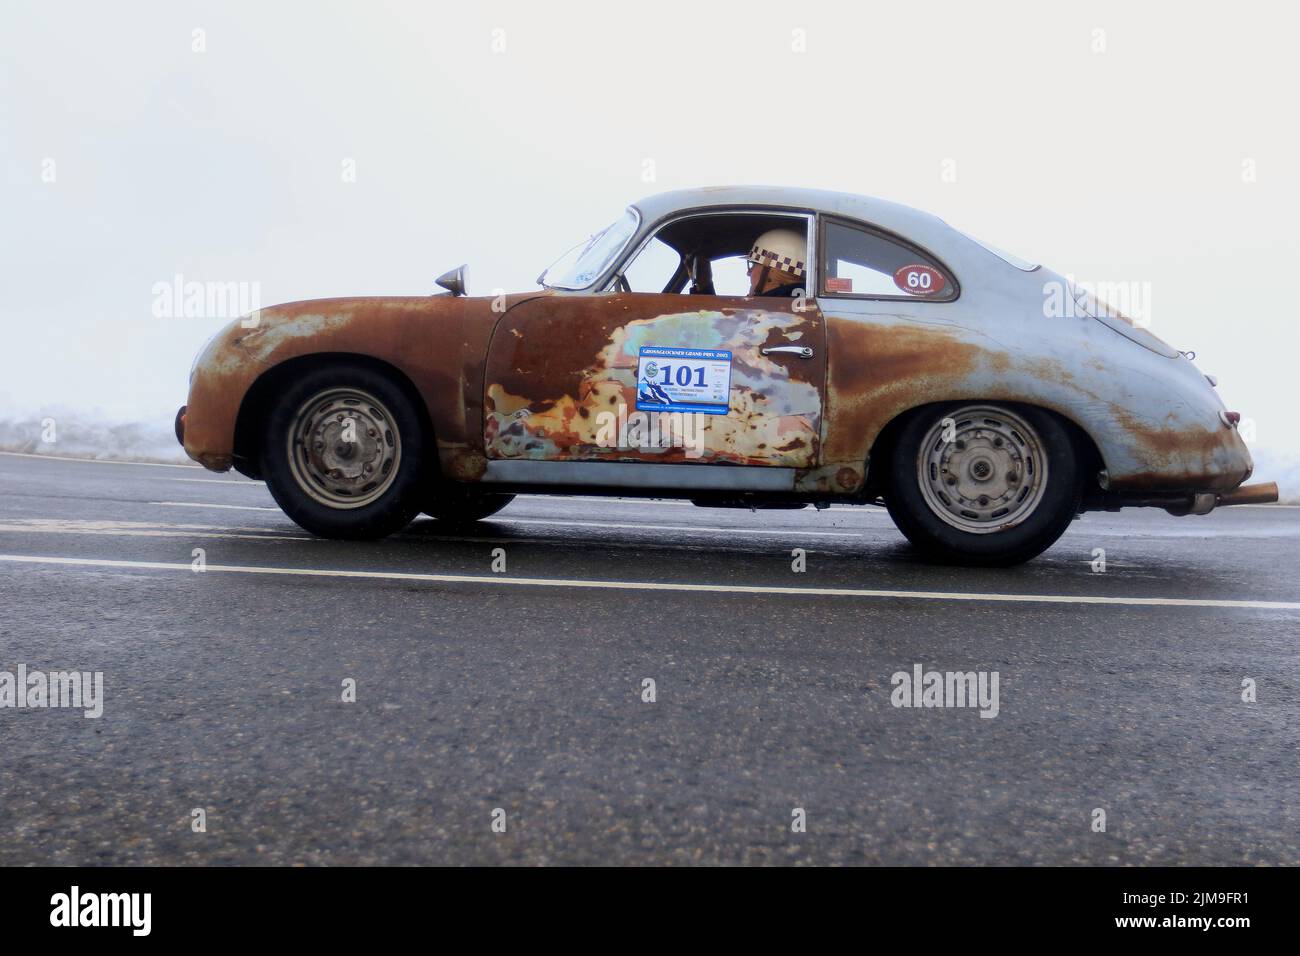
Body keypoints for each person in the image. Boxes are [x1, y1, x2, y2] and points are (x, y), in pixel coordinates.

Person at [746, 228, 807, 298]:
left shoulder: (768, 305)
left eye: (754, 265)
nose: (748, 273)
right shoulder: (801, 299)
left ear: (770, 270)